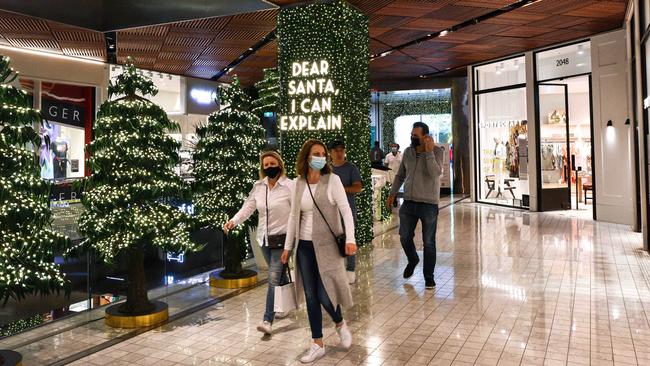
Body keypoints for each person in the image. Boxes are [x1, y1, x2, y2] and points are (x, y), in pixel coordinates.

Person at [281, 139, 356, 363]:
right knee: (311, 295)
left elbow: (346, 210)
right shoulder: (298, 183)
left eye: (323, 153)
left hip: (328, 247)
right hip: (304, 246)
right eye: (316, 153)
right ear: (307, 157)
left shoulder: (332, 180)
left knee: (326, 294)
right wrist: (287, 247)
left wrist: (350, 238)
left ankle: (340, 323)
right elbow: (294, 216)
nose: (321, 157)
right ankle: (317, 343)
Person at [224, 151, 294, 336]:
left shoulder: (289, 186)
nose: (269, 167)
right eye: (266, 165)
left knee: (272, 277)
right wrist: (233, 221)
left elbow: (297, 213)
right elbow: (248, 207)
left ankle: (267, 320)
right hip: (264, 239)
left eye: (273, 163)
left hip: (282, 239)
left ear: (280, 164)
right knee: (279, 276)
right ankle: (286, 304)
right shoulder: (259, 186)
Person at [386, 122, 444, 289]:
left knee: (429, 242)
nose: (412, 138)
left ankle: (429, 277)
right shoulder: (408, 152)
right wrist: (392, 193)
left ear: (425, 137)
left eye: (415, 136)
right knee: (404, 237)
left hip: (429, 205)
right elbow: (400, 175)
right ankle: (413, 259)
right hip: (409, 203)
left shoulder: (437, 151)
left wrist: (428, 152)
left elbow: (435, 173)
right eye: (411, 135)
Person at [329, 140, 362, 284]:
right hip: (330, 212)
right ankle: (336, 270)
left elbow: (357, 187)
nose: (339, 153)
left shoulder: (351, 168)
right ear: (330, 153)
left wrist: (339, 190)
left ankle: (350, 270)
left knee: (349, 238)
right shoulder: (327, 169)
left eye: (341, 150)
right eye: (336, 150)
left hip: (348, 210)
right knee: (332, 241)